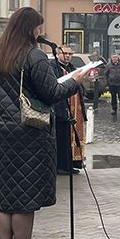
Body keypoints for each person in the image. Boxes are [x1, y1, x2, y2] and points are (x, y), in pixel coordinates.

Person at [0, 7, 88, 239]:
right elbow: (51, 92)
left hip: (2, 131)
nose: (40, 32)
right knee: (24, 198)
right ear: (30, 29)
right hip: (29, 132)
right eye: (38, 27)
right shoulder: (33, 55)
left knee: (4, 196)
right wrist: (76, 81)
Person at [52, 45, 87, 175]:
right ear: (57, 54)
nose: (67, 56)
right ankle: (60, 166)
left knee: (71, 137)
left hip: (74, 109)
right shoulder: (53, 67)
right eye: (64, 53)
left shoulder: (72, 68)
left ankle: (71, 163)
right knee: (61, 139)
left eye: (70, 54)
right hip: (60, 108)